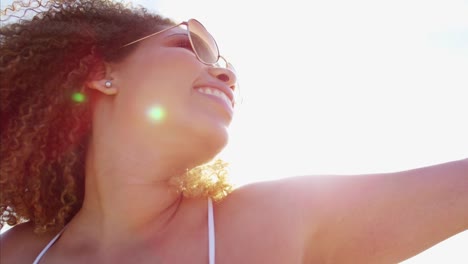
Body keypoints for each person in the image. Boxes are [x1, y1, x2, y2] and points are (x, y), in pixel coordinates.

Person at [0, 0, 466, 263]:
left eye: (226, 65)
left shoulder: (277, 218)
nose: (226, 75)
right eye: (191, 45)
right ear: (102, 74)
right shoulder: (19, 252)